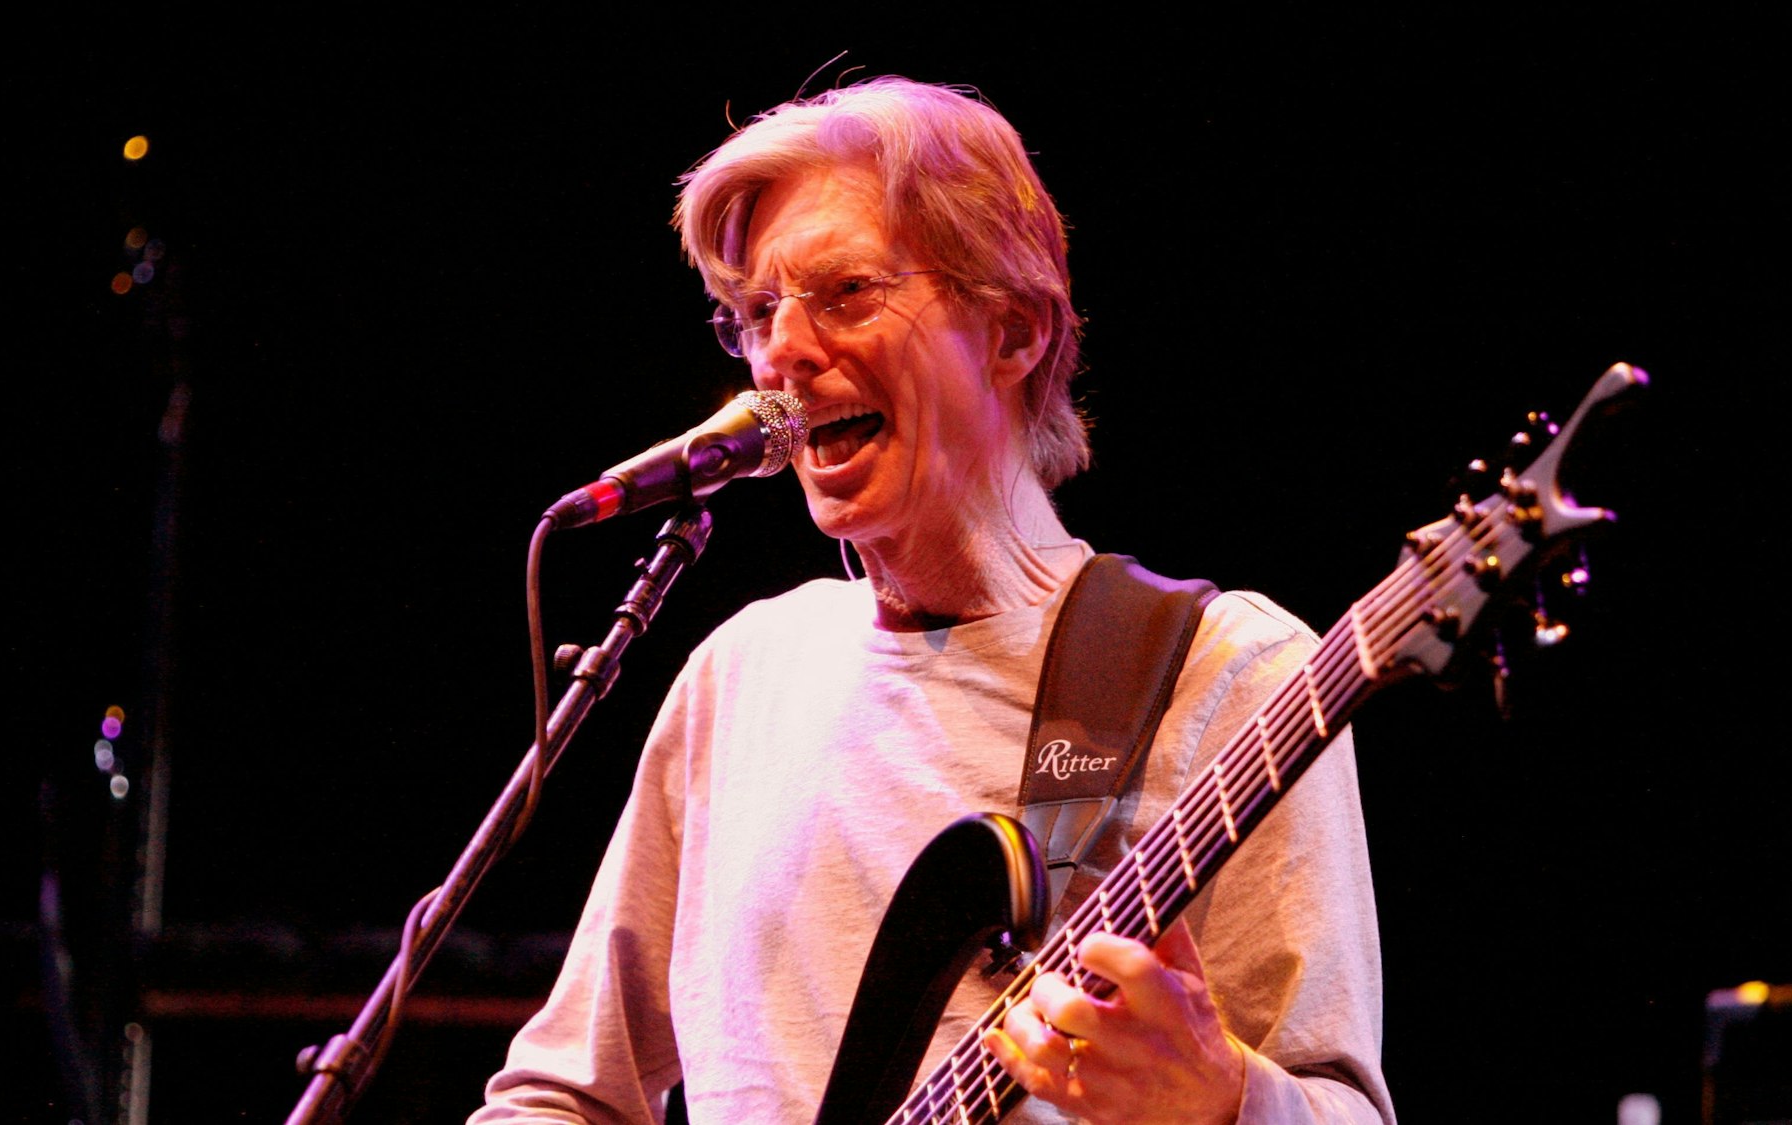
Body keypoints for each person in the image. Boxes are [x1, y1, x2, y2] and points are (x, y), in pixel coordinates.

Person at [472, 77, 1392, 1124]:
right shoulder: (742, 674)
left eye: (845, 292)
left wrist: (1222, 1098)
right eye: (757, 314)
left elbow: (1346, 1108)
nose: (782, 353)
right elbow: (560, 1094)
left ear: (1013, 332)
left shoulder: (1225, 670)